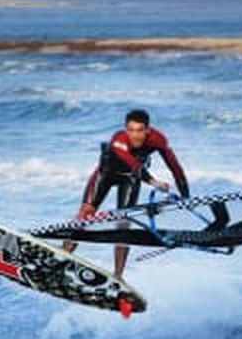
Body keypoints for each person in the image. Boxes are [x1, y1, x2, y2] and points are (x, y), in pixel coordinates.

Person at [64, 109, 190, 278]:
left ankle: (118, 277)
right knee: (86, 213)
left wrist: (185, 196)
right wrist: (153, 181)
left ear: (147, 130)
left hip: (130, 179)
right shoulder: (118, 140)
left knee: (123, 223)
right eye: (130, 130)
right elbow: (132, 163)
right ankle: (63, 257)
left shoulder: (157, 140)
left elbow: (175, 167)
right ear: (125, 129)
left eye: (139, 130)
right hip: (106, 174)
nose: (134, 135)